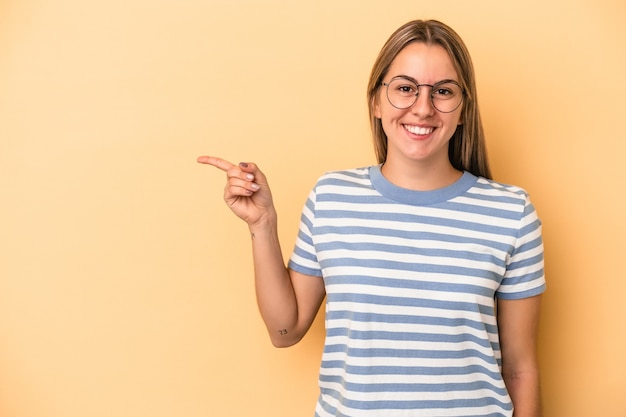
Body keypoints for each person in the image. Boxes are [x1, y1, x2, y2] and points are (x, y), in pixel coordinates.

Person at [198, 19, 545, 417]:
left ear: (463, 108)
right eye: (405, 88)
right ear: (377, 101)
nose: (423, 107)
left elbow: (521, 370)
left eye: (443, 92)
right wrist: (262, 225)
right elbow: (285, 330)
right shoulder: (332, 197)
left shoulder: (511, 212)